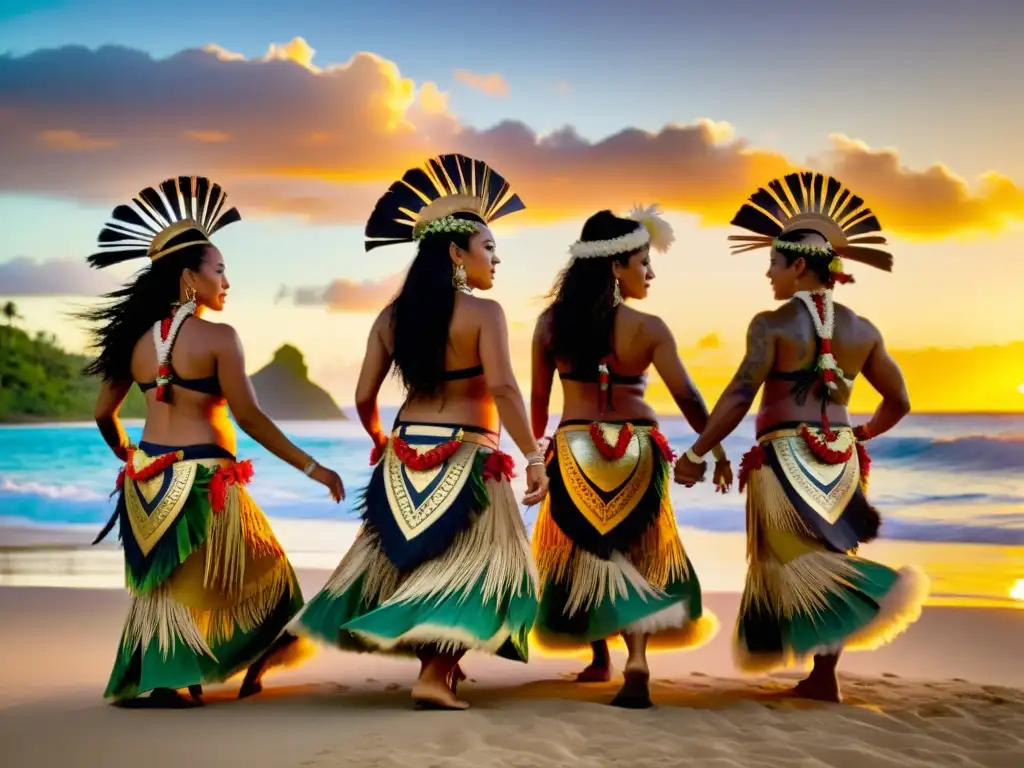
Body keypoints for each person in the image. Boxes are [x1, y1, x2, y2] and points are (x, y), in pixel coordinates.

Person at [291, 154, 546, 711]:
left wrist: (381, 440)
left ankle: (441, 666)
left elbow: (362, 396)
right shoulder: (486, 314)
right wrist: (532, 455)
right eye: (489, 248)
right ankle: (434, 672)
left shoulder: (391, 318)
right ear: (456, 253)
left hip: (404, 454)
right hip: (468, 455)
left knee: (417, 563)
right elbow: (504, 390)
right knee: (477, 569)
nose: (496, 260)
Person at [82, 175, 344, 707]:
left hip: (146, 482)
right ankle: (229, 664)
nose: (228, 282)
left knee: (164, 589)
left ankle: (163, 677)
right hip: (204, 483)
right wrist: (314, 468)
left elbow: (103, 413)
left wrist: (130, 456)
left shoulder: (132, 343)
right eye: (219, 270)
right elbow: (250, 417)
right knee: (271, 577)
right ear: (188, 279)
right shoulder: (220, 339)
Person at [674, 171, 930, 702]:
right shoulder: (864, 330)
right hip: (842, 458)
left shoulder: (770, 324)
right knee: (836, 550)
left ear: (797, 265)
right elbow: (900, 402)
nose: (768, 274)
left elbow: (741, 393)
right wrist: (859, 433)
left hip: (786, 455)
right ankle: (823, 676)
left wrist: (699, 451)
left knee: (794, 559)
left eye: (772, 263)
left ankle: (877, 600)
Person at [529, 206, 728, 708]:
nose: (650, 273)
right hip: (638, 447)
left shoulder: (550, 325)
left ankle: (599, 658)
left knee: (582, 550)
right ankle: (635, 661)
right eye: (643, 262)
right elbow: (687, 396)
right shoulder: (650, 327)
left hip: (573, 449)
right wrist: (715, 446)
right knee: (635, 553)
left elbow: (536, 406)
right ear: (616, 267)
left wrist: (535, 459)